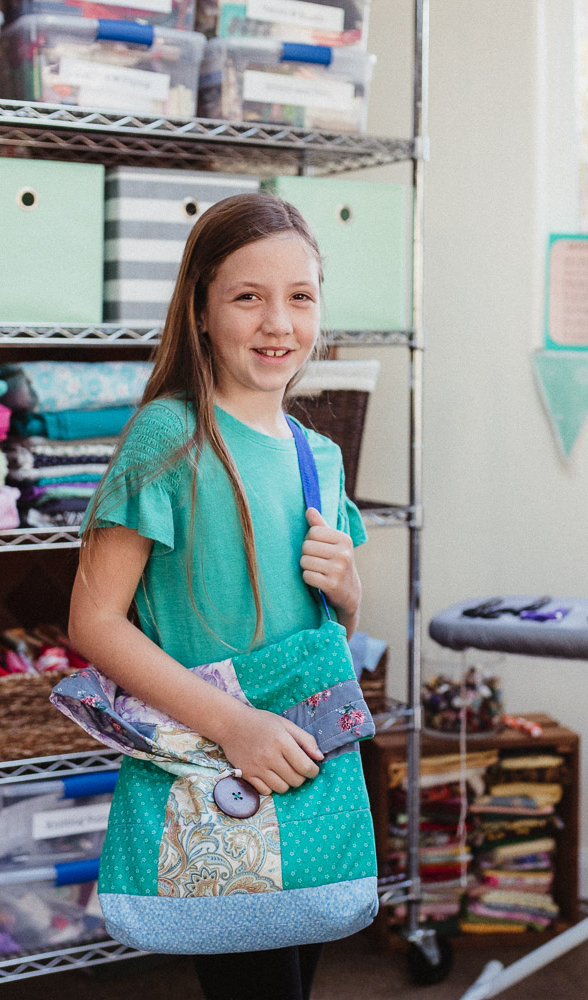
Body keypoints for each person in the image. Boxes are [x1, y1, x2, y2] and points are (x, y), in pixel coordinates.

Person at [67, 192, 367, 1000]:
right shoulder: (169, 438)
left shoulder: (321, 456)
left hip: (303, 759)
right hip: (215, 762)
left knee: (298, 976)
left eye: (300, 298)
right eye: (248, 297)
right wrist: (234, 723)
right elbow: (93, 620)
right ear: (200, 310)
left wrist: (348, 591)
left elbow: (323, 629)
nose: (279, 324)